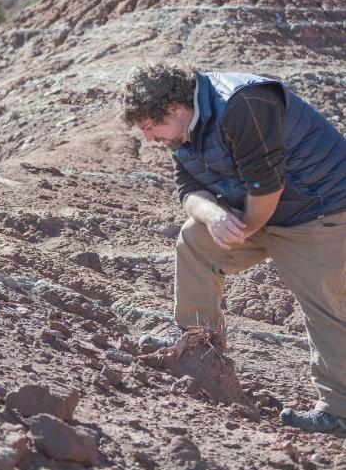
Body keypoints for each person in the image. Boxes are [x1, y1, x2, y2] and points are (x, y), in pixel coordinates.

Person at [121, 63, 346, 435]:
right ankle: (198, 344)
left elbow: (267, 185)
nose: (147, 138)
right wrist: (213, 217)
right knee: (196, 240)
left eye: (149, 127)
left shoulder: (243, 103)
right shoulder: (183, 130)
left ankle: (338, 412)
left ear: (174, 109)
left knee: (325, 305)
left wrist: (244, 228)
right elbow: (187, 189)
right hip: (263, 211)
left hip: (320, 209)